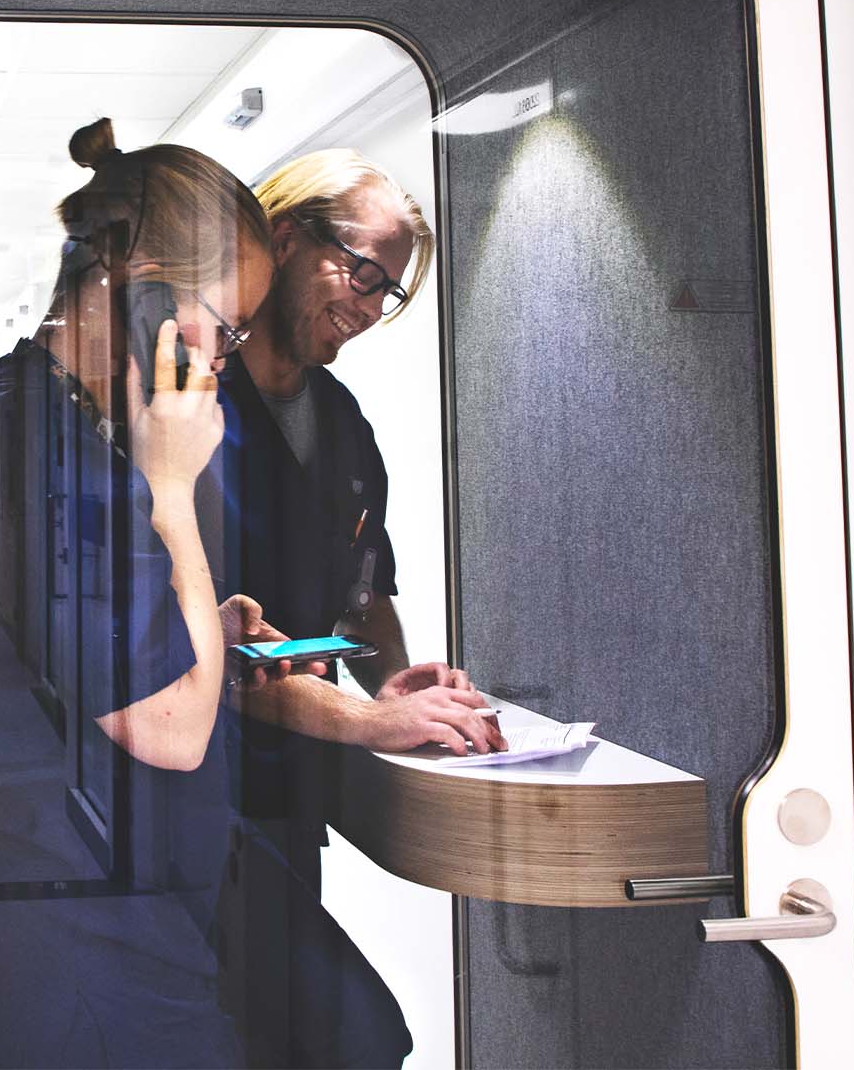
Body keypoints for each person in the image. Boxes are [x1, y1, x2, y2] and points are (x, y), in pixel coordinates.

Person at [0, 117, 309, 1069]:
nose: (228, 354)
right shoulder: (57, 452)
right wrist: (172, 485)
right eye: (227, 323)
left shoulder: (51, 412)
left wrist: (200, 616)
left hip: (114, 893)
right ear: (147, 288)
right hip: (88, 926)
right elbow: (169, 728)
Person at [202, 148, 505, 1069]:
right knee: (346, 1039)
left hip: (291, 795)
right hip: (188, 798)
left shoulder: (343, 424)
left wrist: (396, 682)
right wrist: (375, 720)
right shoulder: (188, 406)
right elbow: (207, 644)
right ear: (286, 239)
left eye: (391, 293)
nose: (372, 308)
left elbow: (365, 598)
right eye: (365, 273)